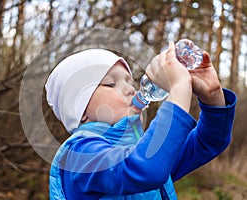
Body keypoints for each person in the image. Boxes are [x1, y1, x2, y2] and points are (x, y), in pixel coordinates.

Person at [45, 42, 236, 199]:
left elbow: (209, 141)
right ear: (81, 110)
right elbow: (145, 168)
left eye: (129, 81)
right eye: (111, 84)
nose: (130, 89)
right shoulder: (80, 155)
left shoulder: (147, 149)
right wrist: (178, 90)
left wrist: (212, 96)